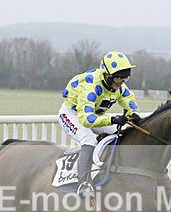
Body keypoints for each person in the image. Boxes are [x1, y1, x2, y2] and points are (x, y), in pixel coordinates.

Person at [58, 51, 142, 196]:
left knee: (121, 132)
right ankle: (82, 184)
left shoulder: (119, 85)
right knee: (89, 140)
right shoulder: (91, 86)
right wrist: (113, 119)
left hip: (94, 114)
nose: (121, 82)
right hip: (72, 115)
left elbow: (129, 102)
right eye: (118, 78)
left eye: (125, 78)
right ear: (107, 75)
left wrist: (134, 114)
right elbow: (87, 120)